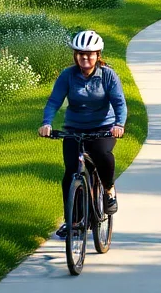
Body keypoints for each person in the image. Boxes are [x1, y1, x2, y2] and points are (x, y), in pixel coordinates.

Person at [39, 30, 127, 239]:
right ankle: (73, 221)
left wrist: (119, 124)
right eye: (80, 54)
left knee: (102, 154)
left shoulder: (107, 75)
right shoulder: (67, 75)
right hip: (74, 128)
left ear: (98, 55)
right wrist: (46, 123)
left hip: (103, 128)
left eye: (89, 54)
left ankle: (108, 190)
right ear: (75, 55)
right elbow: (54, 102)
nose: (84, 58)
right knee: (71, 174)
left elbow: (119, 103)